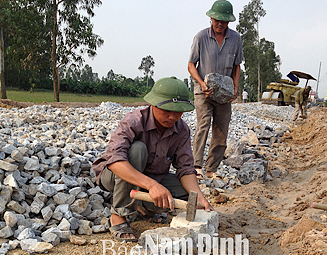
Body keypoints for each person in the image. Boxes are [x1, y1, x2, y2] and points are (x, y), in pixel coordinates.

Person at [92, 77, 214, 242]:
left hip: (152, 178)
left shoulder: (182, 130)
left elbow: (185, 168)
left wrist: (198, 195)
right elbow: (114, 160)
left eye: (178, 111)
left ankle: (146, 209)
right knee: (137, 150)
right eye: (167, 110)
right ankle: (119, 215)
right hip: (115, 178)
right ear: (154, 104)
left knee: (188, 192)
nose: (172, 117)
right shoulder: (134, 121)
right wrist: (152, 185)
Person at [188, 0, 244, 180]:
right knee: (203, 125)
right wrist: (202, 84)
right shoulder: (201, 37)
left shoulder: (235, 39)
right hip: (203, 91)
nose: (220, 24)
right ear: (211, 18)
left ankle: (211, 168)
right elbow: (191, 65)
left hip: (224, 94)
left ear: (229, 21)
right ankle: (196, 166)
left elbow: (237, 66)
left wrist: (235, 88)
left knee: (221, 130)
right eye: (217, 20)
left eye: (224, 21)